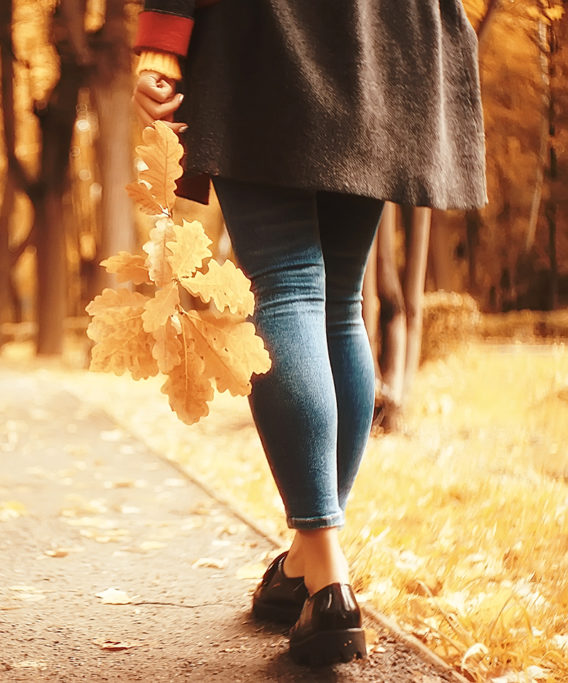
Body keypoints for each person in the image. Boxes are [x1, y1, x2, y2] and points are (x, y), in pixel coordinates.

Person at [132, 0, 486, 667]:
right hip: (387, 32)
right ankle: (306, 560)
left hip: (268, 29)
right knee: (338, 302)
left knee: (288, 284)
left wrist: (164, 35)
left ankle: (325, 576)